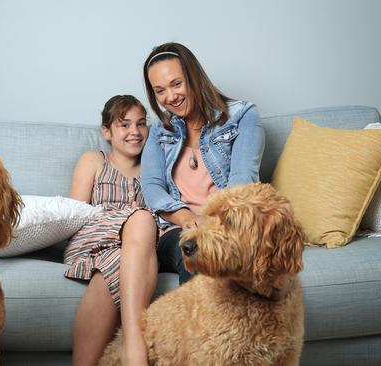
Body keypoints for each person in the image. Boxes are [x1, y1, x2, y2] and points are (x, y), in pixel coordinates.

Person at [141, 42, 265, 284]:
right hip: (176, 230)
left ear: (194, 77)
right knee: (197, 251)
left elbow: (243, 180)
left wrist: (212, 223)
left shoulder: (243, 115)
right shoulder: (159, 130)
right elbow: (152, 186)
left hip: (227, 225)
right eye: (160, 90)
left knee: (215, 251)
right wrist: (188, 218)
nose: (171, 97)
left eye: (176, 84)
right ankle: (201, 320)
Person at [64, 95, 158, 366]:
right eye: (124, 125)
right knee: (141, 219)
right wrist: (131, 216)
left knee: (117, 261)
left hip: (133, 250)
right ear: (107, 131)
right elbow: (76, 213)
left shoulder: (153, 168)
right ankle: (135, 348)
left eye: (141, 124)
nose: (135, 132)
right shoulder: (94, 160)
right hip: (93, 236)